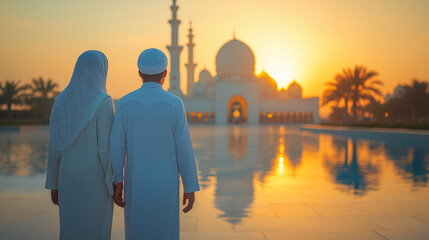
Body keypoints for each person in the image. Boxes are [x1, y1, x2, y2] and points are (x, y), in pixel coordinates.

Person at [110, 48, 200, 240]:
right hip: (165, 184)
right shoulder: (175, 104)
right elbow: (183, 148)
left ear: (139, 73)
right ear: (165, 73)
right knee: (164, 232)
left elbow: (117, 148)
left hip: (136, 182)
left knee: (138, 231)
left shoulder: (125, 103)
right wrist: (190, 185)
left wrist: (118, 181)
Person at [45, 50, 115, 240]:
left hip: (67, 179)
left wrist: (54, 183)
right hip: (95, 182)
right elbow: (105, 149)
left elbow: (54, 146)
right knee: (96, 230)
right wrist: (114, 184)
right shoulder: (104, 102)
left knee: (71, 230)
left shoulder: (60, 101)